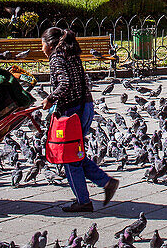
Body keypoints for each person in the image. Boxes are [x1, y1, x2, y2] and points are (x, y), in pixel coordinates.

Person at [41, 27, 118, 212]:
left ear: (50, 44)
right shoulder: (70, 53)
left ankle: (83, 201)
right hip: (86, 107)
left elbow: (65, 83)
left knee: (70, 158)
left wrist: (50, 98)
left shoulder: (57, 57)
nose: (41, 47)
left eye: (42, 43)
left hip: (73, 112)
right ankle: (106, 183)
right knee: (76, 153)